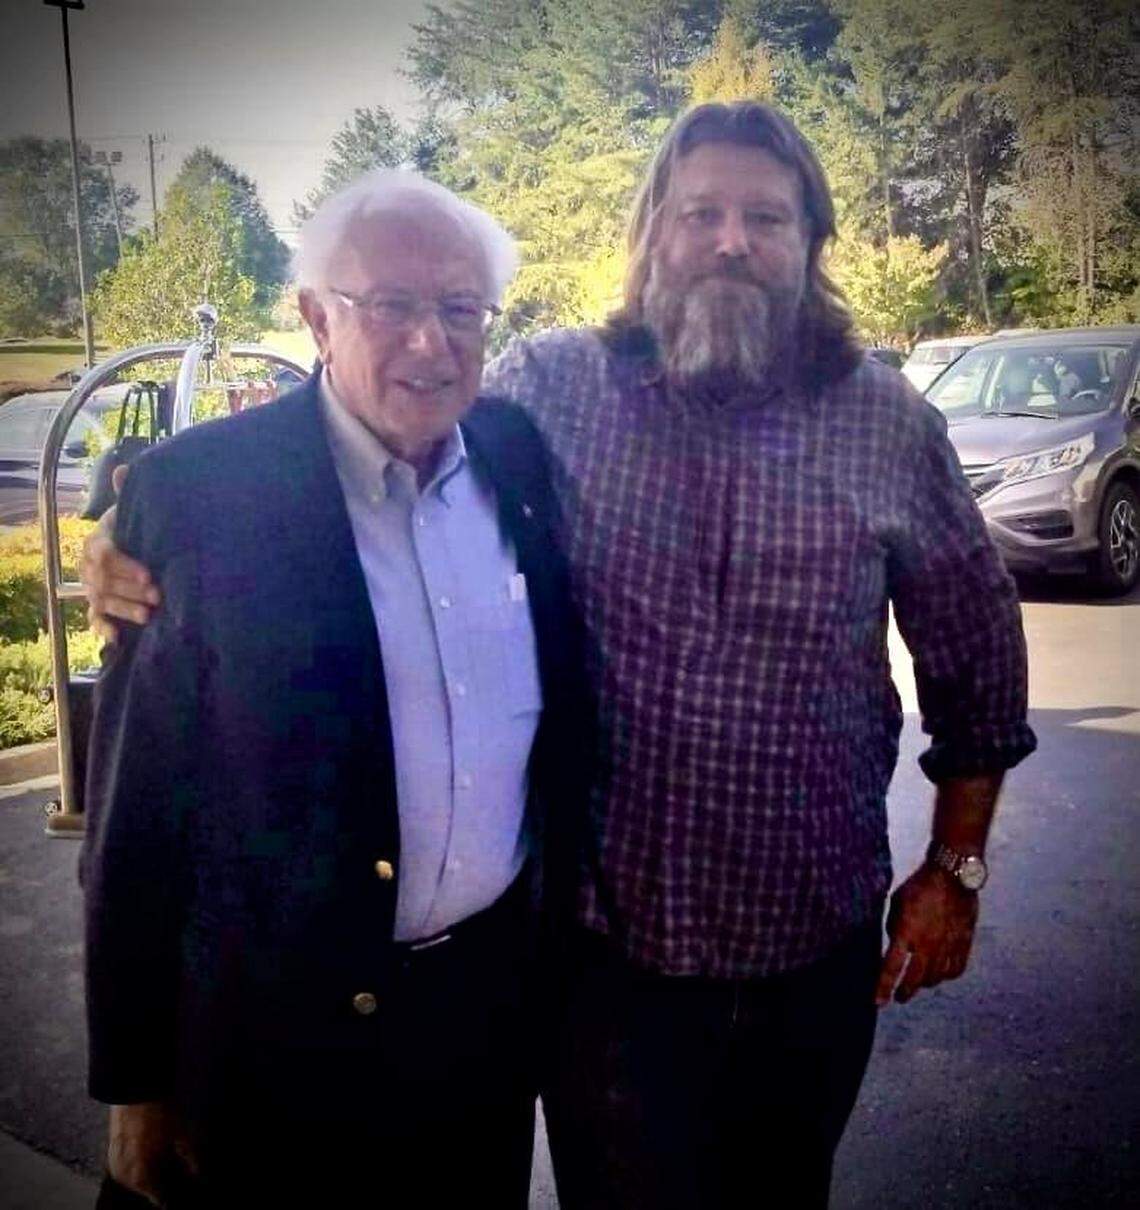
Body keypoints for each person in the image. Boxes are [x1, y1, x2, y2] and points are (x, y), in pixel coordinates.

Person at [83, 102, 1036, 1209]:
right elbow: (372, 406)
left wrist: (955, 870)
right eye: (703, 213)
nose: (732, 239)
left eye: (766, 217)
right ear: (653, 236)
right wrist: (135, 525)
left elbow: (977, 652)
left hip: (810, 952)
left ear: (811, 243)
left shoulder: (888, 420)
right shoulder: (553, 390)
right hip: (604, 971)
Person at [80, 171, 592, 1209]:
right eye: (391, 305)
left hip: (480, 1029)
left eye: (460, 310)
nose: (429, 343)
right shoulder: (199, 495)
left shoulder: (518, 456)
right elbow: (135, 815)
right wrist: (134, 1085)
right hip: (274, 1046)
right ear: (315, 315)